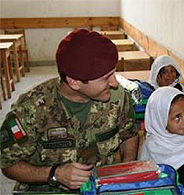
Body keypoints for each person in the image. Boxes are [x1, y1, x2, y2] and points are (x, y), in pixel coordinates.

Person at [0, 29, 138, 190]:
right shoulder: (31, 109)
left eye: (113, 73)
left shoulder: (118, 96)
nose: (114, 83)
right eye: (105, 78)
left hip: (102, 187)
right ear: (74, 82)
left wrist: (126, 173)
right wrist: (54, 174)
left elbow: (129, 133)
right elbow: (8, 163)